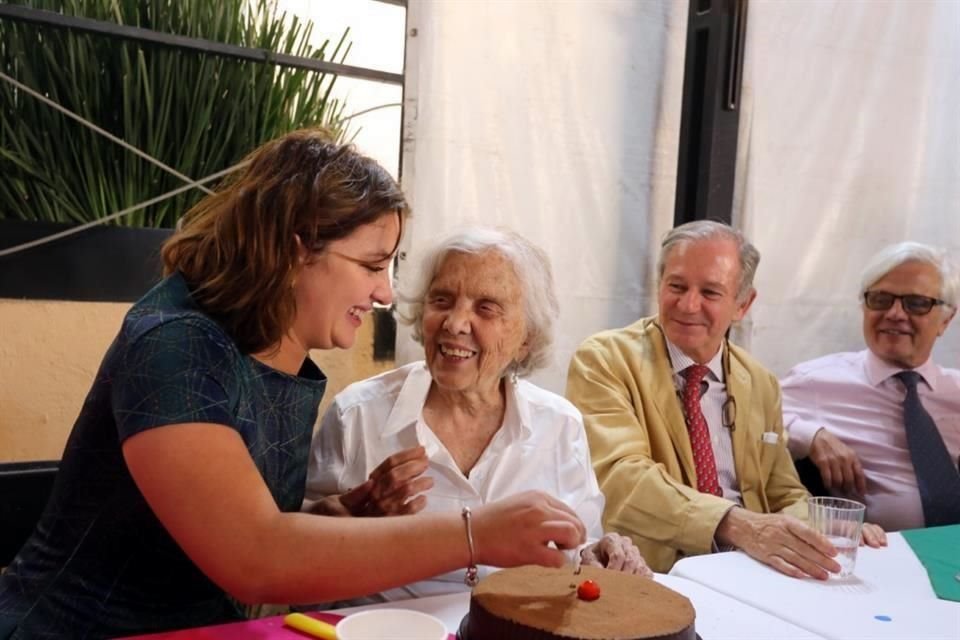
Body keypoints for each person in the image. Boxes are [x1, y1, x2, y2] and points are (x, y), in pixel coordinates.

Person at [0, 130, 585, 639]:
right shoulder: (174, 344)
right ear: (298, 247)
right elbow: (256, 557)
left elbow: (256, 530)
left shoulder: (279, 350)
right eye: (372, 264)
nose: (386, 293)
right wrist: (476, 532)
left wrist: (339, 518)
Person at [305, 228, 649, 602]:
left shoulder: (559, 425)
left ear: (526, 338)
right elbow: (303, 563)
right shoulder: (357, 416)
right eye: (441, 300)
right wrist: (358, 529)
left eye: (486, 308)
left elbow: (580, 547)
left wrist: (600, 553)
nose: (454, 323)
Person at [566, 220, 886, 580]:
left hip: (752, 570)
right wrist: (739, 526)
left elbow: (783, 491)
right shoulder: (604, 360)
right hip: (655, 573)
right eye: (676, 286)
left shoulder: (760, 382)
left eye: (710, 292)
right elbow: (622, 479)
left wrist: (828, 528)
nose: (688, 305)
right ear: (659, 285)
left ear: (743, 305)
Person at [781, 241, 960, 531]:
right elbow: (750, 418)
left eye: (916, 303)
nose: (896, 314)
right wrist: (811, 436)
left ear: (946, 320)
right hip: (871, 552)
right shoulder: (816, 381)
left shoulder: (955, 392)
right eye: (881, 299)